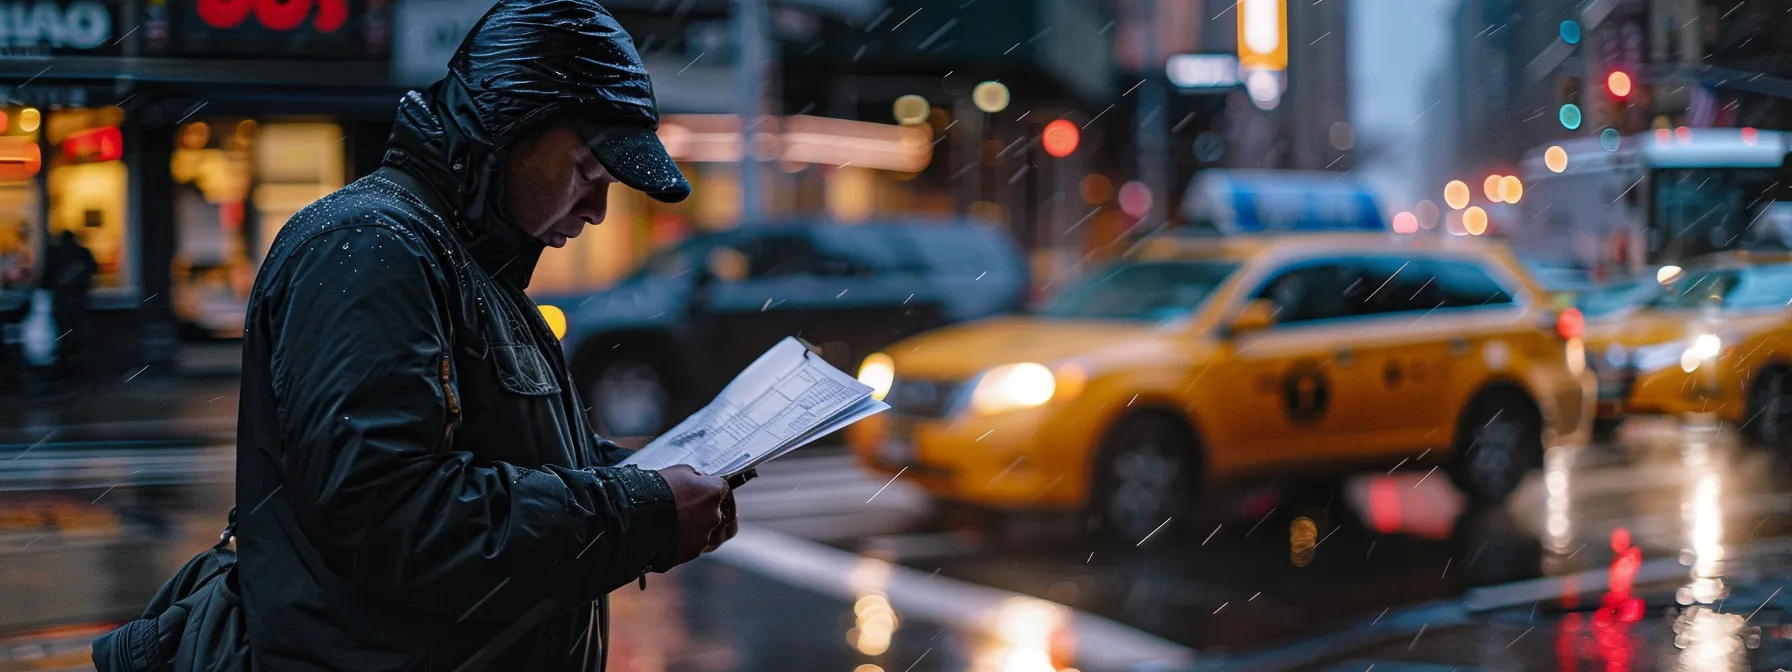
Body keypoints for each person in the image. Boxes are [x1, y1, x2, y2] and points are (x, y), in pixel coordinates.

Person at [233, 0, 737, 669]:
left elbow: (505, 463)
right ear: (507, 130)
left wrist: (641, 481)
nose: (597, 209)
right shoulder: (374, 246)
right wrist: (635, 513)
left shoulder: (469, 266)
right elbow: (391, 516)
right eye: (587, 173)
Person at [41, 230, 96, 382]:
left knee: (63, 335)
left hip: (62, 302)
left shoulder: (54, 253)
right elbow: (93, 270)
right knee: (78, 334)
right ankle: (75, 367)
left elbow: (46, 279)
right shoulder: (83, 253)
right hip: (79, 302)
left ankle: (63, 367)